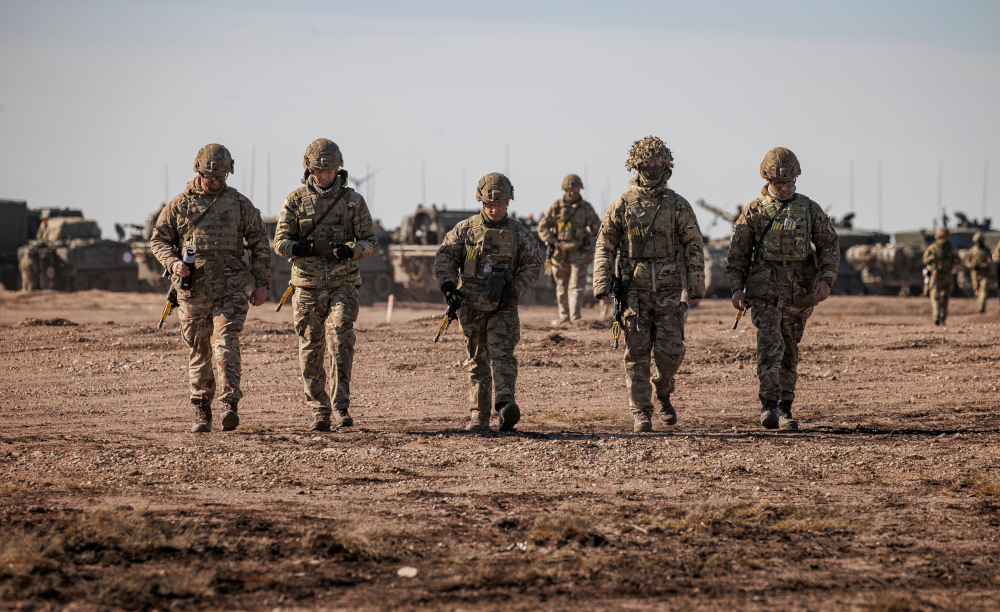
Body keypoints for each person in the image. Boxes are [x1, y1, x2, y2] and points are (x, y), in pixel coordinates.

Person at [150, 144, 271, 433]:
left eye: (221, 177)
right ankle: (202, 410)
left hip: (230, 291)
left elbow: (259, 244)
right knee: (199, 350)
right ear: (198, 171)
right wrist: (173, 262)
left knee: (226, 342)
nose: (215, 181)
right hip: (193, 292)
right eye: (210, 176)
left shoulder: (240, 204)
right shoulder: (179, 205)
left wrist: (262, 284)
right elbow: (158, 240)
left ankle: (230, 404)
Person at [593, 136, 705, 433]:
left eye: (658, 164)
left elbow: (693, 244)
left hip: (669, 292)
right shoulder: (622, 206)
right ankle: (641, 412)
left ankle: (663, 390)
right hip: (634, 293)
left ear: (666, 167)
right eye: (647, 164)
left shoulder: (677, 205)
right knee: (636, 354)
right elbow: (605, 245)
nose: (652, 169)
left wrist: (694, 285)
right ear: (636, 166)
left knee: (671, 353)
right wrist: (602, 283)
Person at [726, 147, 839, 431]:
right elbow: (738, 253)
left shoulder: (809, 209)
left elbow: (828, 244)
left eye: (789, 182)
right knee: (769, 347)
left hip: (800, 292)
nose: (785, 187)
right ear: (767, 179)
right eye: (779, 182)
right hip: (764, 291)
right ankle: (770, 406)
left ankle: (787, 408)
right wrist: (737, 288)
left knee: (789, 350)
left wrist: (826, 279)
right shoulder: (754, 211)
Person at [273, 139, 377, 432]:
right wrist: (298, 248)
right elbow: (279, 243)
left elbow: (371, 242)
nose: (323, 175)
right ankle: (320, 410)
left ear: (338, 168)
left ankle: (341, 406)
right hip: (306, 286)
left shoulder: (353, 201)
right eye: (318, 170)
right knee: (310, 348)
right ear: (308, 168)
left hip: (343, 283)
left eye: (329, 169)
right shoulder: (294, 200)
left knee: (342, 339)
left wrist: (351, 250)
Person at [433, 172, 541, 432]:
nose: (494, 209)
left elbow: (533, 264)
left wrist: (513, 289)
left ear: (509, 202)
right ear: (481, 202)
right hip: (471, 307)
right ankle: (478, 416)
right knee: (477, 361)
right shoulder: (465, 230)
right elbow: (445, 257)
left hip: (504, 307)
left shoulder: (519, 233)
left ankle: (505, 407)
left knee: (503, 356)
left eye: (500, 204)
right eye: (489, 204)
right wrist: (448, 287)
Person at [537, 174, 601, 325]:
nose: (572, 192)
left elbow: (597, 229)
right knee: (561, 286)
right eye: (569, 189)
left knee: (577, 286)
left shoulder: (586, 208)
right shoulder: (556, 207)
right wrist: (553, 240)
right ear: (564, 189)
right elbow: (543, 227)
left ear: (580, 189)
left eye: (575, 189)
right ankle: (564, 316)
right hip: (560, 255)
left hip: (580, 253)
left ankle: (575, 317)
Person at [923, 227, 957, 325]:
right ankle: (936, 316)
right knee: (935, 296)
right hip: (935, 274)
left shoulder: (951, 249)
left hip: (947, 275)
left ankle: (943, 317)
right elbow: (924, 260)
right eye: (942, 237)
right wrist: (931, 258)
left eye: (945, 237)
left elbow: (958, 261)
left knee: (945, 297)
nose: (944, 239)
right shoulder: (932, 248)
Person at [964, 231, 992, 313]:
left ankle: (981, 306)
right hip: (975, 274)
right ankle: (980, 304)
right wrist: (971, 266)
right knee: (976, 291)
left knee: (983, 291)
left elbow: (990, 262)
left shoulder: (986, 250)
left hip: (984, 274)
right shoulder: (972, 250)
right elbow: (967, 261)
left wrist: (981, 266)